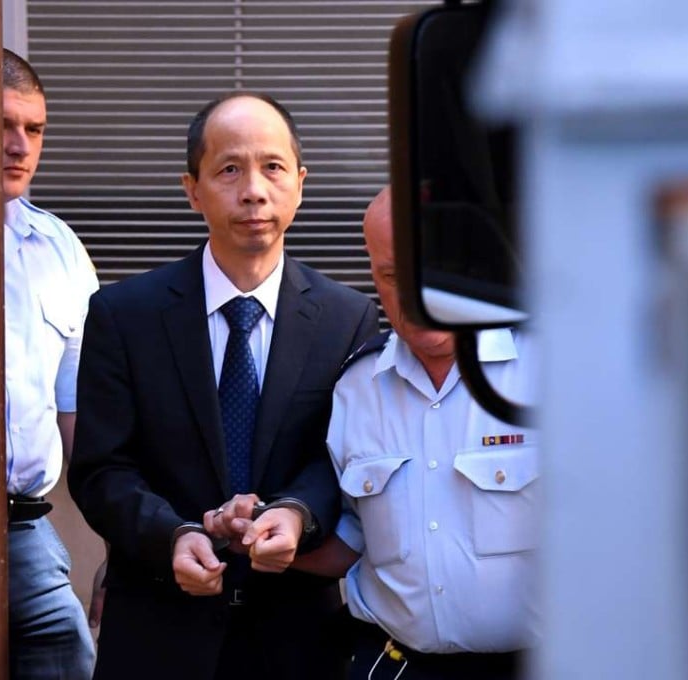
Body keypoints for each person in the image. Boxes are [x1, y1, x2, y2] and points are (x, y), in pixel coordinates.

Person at [69, 92, 379, 680]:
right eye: (229, 169)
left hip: (297, 636)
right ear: (192, 190)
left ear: (301, 184)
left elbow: (341, 457)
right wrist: (174, 535)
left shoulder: (347, 318)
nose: (254, 190)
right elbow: (102, 469)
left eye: (273, 167)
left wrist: (295, 514)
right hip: (158, 633)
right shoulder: (123, 315)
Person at [294, 185, 539, 680]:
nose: (415, 295)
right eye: (391, 275)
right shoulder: (357, 388)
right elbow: (355, 538)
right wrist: (262, 537)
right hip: (396, 664)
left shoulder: (548, 369)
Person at [1, 48, 98, 680]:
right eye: (3, 125)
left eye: (34, 129)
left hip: (23, 528)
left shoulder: (56, 247)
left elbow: (81, 416)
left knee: (71, 653)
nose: (20, 145)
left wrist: (126, 545)